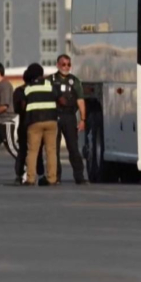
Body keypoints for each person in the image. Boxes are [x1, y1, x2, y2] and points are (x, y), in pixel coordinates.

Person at [50, 54, 88, 185]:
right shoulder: (50, 79)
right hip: (54, 117)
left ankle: (79, 176)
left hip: (69, 117)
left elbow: (80, 101)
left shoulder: (74, 81)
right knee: (54, 149)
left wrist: (83, 119)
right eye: (63, 64)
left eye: (68, 64)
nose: (66, 67)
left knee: (73, 148)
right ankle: (55, 176)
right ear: (57, 65)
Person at [23, 63, 59, 186]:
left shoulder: (28, 88)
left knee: (33, 151)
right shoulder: (50, 85)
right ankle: (52, 178)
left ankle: (31, 178)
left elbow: (23, 103)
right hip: (51, 121)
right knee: (51, 151)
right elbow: (58, 97)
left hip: (34, 121)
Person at [13, 68, 44, 184]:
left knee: (23, 151)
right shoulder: (39, 90)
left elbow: (16, 109)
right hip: (35, 123)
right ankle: (40, 174)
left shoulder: (19, 91)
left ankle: (19, 174)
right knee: (38, 151)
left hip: (24, 124)